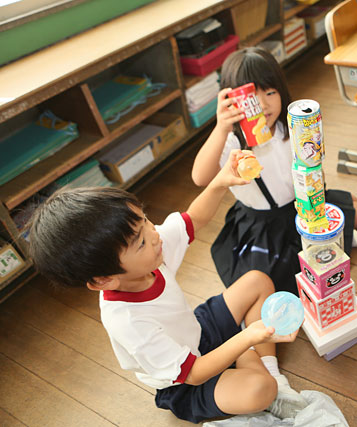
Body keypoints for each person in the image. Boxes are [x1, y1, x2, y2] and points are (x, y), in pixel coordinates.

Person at [27, 151, 308, 424]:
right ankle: (260, 371)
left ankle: (270, 372)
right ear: (104, 280)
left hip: (197, 330)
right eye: (140, 241)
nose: (154, 234)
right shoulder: (128, 322)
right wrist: (246, 339)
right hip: (184, 381)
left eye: (145, 219)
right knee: (259, 389)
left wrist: (220, 181)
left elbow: (193, 219)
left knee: (257, 280)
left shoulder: (148, 248)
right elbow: (194, 373)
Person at [192, 47, 357, 295]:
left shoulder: (289, 125)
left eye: (270, 92)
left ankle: (336, 240)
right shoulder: (232, 140)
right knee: (274, 282)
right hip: (266, 224)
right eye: (251, 99)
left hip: (304, 204)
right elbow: (199, 177)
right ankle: (333, 244)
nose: (263, 105)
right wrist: (221, 127)